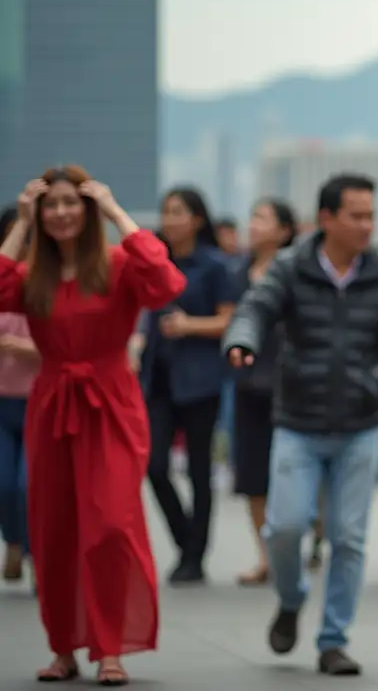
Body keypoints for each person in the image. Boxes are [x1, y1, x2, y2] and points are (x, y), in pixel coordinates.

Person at [223, 173, 378, 676]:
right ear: (327, 217)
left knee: (348, 537)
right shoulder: (292, 266)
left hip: (362, 425)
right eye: (356, 215)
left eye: (371, 215)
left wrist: (374, 381)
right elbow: (255, 309)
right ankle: (290, 599)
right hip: (298, 422)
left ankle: (333, 640)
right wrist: (241, 340)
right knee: (284, 528)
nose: (366, 225)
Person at [0, 168, 186, 685]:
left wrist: (112, 208)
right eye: (50, 205)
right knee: (53, 528)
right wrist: (19, 221)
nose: (60, 212)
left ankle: (110, 648)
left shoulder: (118, 263)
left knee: (109, 526)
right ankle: (62, 649)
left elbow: (166, 281)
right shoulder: (33, 274)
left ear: (86, 211)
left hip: (112, 405)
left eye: (70, 203)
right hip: (52, 404)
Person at [141, 187, 236, 584]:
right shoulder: (153, 262)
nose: (170, 219)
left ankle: (195, 556)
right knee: (155, 466)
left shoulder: (215, 265)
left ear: (197, 219)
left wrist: (188, 326)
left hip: (200, 379)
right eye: (165, 212)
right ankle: (185, 539)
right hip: (158, 378)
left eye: (178, 212)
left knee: (199, 470)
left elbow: (228, 320)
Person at [230, 197, 298, 586]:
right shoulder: (237, 272)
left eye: (262, 217)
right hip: (248, 385)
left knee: (291, 471)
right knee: (253, 475)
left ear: (283, 230)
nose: (253, 224)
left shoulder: (298, 272)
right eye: (252, 216)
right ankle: (266, 557)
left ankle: (295, 544)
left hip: (291, 384)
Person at [0, 205, 38, 585]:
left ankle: (36, 553)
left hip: (39, 401)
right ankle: (13, 540)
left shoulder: (48, 280)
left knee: (32, 486)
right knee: (4, 483)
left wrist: (30, 348)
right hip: (2, 403)